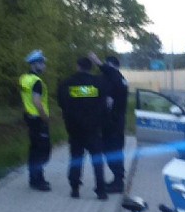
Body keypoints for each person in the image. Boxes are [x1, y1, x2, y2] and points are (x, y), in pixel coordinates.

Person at [57, 57, 108, 200]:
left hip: (75, 129)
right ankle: (101, 191)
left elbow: (62, 104)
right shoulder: (98, 83)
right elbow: (104, 105)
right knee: (97, 160)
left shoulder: (67, 84)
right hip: (93, 129)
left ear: (78, 66)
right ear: (90, 68)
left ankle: (75, 189)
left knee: (76, 158)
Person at [88, 52, 128, 193]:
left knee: (113, 152)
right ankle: (117, 180)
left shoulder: (118, 78)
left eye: (107, 66)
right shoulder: (116, 81)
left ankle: (118, 182)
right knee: (111, 151)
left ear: (113, 66)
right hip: (112, 125)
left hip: (114, 125)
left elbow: (109, 73)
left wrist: (97, 61)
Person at [19, 49, 52, 191]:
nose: (44, 66)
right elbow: (37, 101)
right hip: (39, 119)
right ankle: (38, 180)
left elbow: (27, 99)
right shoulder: (37, 81)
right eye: (42, 63)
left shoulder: (24, 78)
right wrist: (45, 118)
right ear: (34, 64)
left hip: (29, 117)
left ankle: (34, 179)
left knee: (34, 150)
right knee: (42, 150)